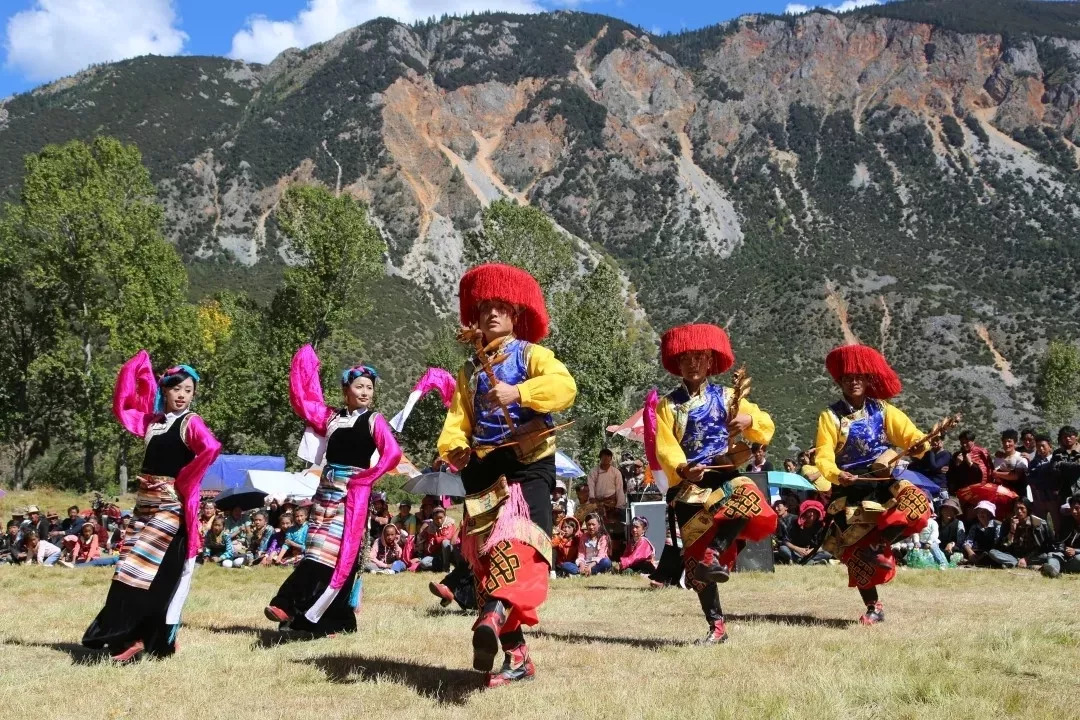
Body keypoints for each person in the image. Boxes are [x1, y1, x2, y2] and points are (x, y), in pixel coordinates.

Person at [437, 263, 577, 687]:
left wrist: (520, 393)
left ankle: (493, 614)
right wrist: (454, 449)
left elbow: (565, 387)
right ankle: (517, 657)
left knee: (517, 544)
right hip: (483, 468)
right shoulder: (470, 371)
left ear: (516, 316)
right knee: (485, 561)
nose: (492, 315)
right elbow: (458, 419)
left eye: (501, 308)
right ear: (475, 319)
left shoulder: (533, 355)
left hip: (527, 463)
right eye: (485, 309)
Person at [83, 355, 221, 662]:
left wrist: (183, 482)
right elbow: (124, 407)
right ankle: (141, 638)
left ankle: (131, 637)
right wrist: (136, 368)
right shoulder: (154, 423)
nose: (182, 394)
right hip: (143, 507)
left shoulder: (191, 422)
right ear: (165, 392)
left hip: (170, 508)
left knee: (141, 572)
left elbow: (211, 448)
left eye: (188, 389)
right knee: (129, 571)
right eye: (176, 389)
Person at [649, 323, 776, 644]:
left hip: (724, 474)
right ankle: (716, 626)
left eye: (699, 357)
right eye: (686, 358)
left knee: (748, 497)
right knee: (695, 562)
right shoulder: (667, 405)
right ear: (677, 364)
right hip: (689, 484)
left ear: (710, 362)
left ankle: (716, 552)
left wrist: (748, 421)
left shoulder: (729, 396)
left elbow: (764, 425)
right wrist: (681, 466)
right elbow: (664, 445)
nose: (692, 363)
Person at [265, 346, 401, 637]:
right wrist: (305, 362)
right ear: (345, 389)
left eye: (369, 387)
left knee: (330, 556)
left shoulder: (374, 420)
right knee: (318, 552)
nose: (365, 392)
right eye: (359, 386)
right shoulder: (332, 419)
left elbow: (392, 454)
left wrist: (367, 478)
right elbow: (304, 401)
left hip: (352, 496)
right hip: (325, 491)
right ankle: (336, 621)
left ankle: (287, 602)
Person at [813, 343, 933, 625]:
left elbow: (911, 437)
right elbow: (824, 454)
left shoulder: (884, 410)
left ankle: (880, 543)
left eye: (859, 376)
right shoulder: (830, 417)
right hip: (851, 485)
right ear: (840, 381)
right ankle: (874, 607)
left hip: (883, 481)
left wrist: (920, 444)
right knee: (855, 552)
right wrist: (835, 473)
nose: (854, 381)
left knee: (916, 503)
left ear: (867, 380)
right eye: (848, 377)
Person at [990, 500, 1053, 569]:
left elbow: (1041, 547)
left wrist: (1026, 559)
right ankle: (1023, 565)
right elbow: (1004, 546)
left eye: (1022, 508)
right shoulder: (1008, 523)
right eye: (1016, 508)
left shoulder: (1036, 524)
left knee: (1046, 556)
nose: (1019, 511)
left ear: (1028, 510)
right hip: (1015, 556)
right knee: (992, 552)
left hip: (1032, 557)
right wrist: (1012, 530)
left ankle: (1014, 564)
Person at [776, 500, 831, 565]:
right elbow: (785, 541)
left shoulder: (820, 526)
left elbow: (822, 544)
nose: (812, 514)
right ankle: (806, 561)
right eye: (810, 511)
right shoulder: (795, 523)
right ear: (805, 512)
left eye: (814, 512)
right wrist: (798, 549)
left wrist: (811, 551)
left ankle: (800, 560)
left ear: (818, 514)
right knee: (783, 549)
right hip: (795, 551)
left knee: (828, 553)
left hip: (812, 552)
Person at [1042, 495, 1080, 577]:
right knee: (1052, 555)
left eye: (1077, 508)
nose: (1073, 511)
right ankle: (1054, 570)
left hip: (1077, 556)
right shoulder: (1068, 523)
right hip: (1067, 556)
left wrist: (1075, 551)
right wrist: (1064, 549)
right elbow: (1062, 541)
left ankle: (1057, 568)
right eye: (1072, 508)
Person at [948, 431, 993, 496]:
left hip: (978, 489)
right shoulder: (957, 455)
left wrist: (970, 463)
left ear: (973, 441)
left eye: (966, 442)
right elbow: (951, 474)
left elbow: (986, 471)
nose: (964, 445)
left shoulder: (981, 453)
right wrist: (957, 463)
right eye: (962, 442)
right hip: (961, 490)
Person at [962, 501, 1004, 567]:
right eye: (979, 512)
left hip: (991, 553)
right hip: (977, 552)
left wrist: (984, 555)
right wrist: (970, 552)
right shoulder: (975, 526)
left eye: (984, 512)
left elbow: (997, 544)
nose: (981, 514)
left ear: (989, 514)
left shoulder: (997, 526)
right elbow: (968, 541)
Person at [418, 507, 458, 571]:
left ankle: (446, 568)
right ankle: (442, 565)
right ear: (433, 518)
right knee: (423, 563)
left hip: (450, 554)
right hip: (437, 555)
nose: (439, 520)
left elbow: (448, 538)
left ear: (445, 516)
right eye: (436, 518)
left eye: (441, 518)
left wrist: (436, 539)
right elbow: (430, 547)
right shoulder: (430, 527)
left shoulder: (450, 524)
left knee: (445, 543)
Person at [993, 429, 1029, 499]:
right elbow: (996, 478)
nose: (1007, 444)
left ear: (1015, 442)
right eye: (1004, 442)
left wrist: (996, 473)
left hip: (1018, 494)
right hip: (1003, 493)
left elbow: (1015, 476)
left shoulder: (1021, 458)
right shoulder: (998, 458)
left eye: (1009, 441)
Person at [1050, 426, 1080, 501]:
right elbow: (1054, 470)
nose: (1067, 438)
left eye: (1070, 436)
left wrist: (1062, 464)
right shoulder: (1058, 453)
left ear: (1076, 437)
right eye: (1065, 437)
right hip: (1064, 492)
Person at [937, 498, 966, 563]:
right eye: (946, 509)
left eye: (951, 510)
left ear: (955, 512)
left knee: (956, 557)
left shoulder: (959, 523)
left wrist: (952, 544)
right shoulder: (935, 522)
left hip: (953, 551)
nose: (948, 512)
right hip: (936, 550)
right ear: (941, 511)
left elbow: (961, 542)